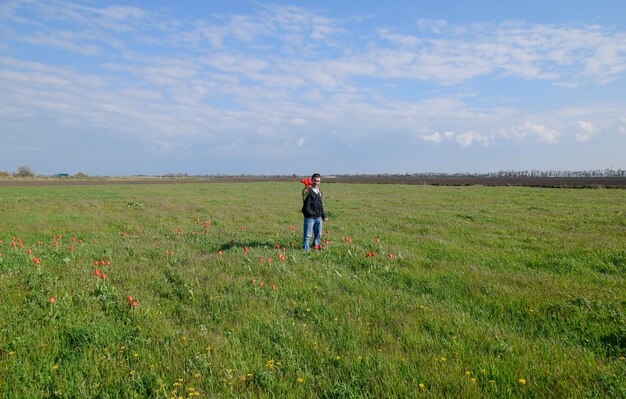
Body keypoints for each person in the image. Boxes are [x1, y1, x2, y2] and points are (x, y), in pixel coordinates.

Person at [302, 173, 328, 250]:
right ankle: (305, 249)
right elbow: (304, 197)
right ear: (311, 180)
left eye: (318, 181)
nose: (316, 182)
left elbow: (320, 205)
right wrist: (307, 213)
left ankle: (315, 246)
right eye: (314, 180)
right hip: (309, 217)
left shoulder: (320, 192)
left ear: (319, 182)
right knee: (307, 235)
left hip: (318, 217)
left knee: (318, 234)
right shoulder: (307, 190)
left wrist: (324, 216)